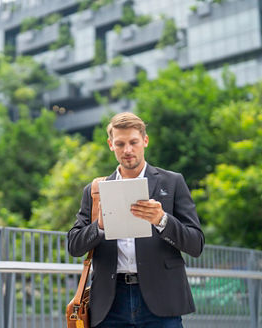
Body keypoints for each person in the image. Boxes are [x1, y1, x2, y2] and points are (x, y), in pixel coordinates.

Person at [67, 112, 204, 328]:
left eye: (133, 142)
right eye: (120, 144)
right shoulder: (95, 191)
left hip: (162, 298)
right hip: (110, 302)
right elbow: (74, 247)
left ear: (145, 141)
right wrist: (99, 226)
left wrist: (162, 220)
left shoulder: (172, 182)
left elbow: (195, 244)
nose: (127, 150)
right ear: (110, 144)